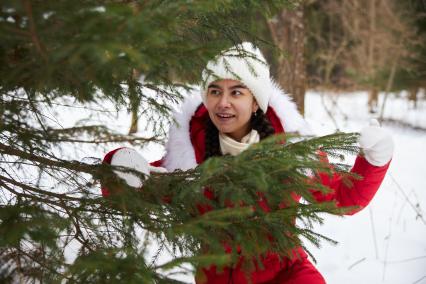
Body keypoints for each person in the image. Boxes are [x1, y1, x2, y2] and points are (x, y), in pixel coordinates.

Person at [102, 42, 393, 283]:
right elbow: (141, 190)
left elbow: (342, 198)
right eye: (215, 91)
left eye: (236, 92)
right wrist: (118, 167)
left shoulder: (290, 148)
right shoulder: (190, 155)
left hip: (287, 275)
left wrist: (374, 161)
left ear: (256, 102)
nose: (223, 102)